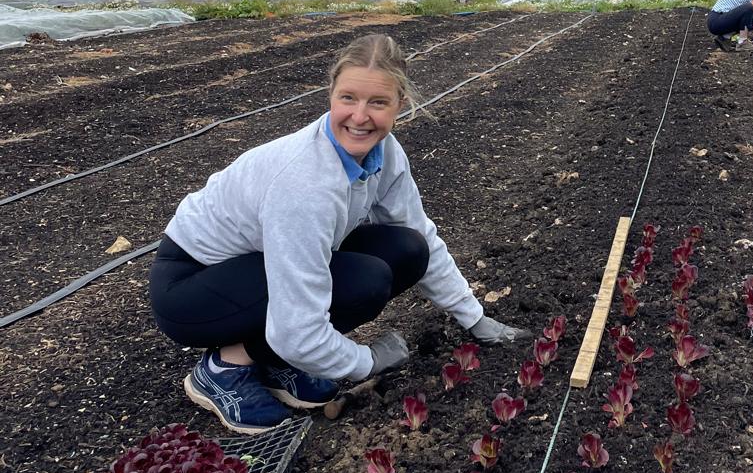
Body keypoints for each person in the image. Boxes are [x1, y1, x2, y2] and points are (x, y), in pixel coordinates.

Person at [149, 33, 531, 433]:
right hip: (191, 287)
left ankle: (274, 361)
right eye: (348, 98)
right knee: (364, 281)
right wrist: (365, 361)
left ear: (400, 104)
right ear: (330, 94)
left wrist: (474, 318)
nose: (360, 117)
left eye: (378, 102)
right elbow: (296, 327)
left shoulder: (385, 153)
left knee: (408, 250)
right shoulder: (305, 182)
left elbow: (421, 234)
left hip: (252, 266)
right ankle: (224, 368)